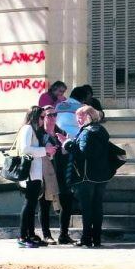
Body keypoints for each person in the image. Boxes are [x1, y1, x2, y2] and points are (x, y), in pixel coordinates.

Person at [59, 105, 111, 247]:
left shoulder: (87, 132)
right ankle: (97, 238)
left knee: (87, 208)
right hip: (101, 175)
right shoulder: (101, 130)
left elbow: (83, 153)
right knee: (97, 207)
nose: (77, 120)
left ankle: (86, 238)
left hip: (86, 176)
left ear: (87, 116)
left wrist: (67, 143)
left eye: (80, 116)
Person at [15, 106, 57, 248]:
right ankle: (22, 236)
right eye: (41, 117)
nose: (43, 120)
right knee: (29, 205)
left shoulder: (33, 130)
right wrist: (44, 150)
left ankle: (30, 234)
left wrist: (47, 151)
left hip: (35, 173)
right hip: (30, 174)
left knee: (31, 205)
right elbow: (25, 149)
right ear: (34, 117)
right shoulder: (27, 129)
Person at [38, 105, 75, 245]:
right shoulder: (39, 134)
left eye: (55, 115)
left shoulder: (61, 132)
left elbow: (68, 152)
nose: (53, 118)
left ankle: (63, 234)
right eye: (49, 115)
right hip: (46, 173)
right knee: (45, 204)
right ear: (43, 117)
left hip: (62, 172)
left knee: (66, 202)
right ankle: (46, 235)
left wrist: (65, 143)